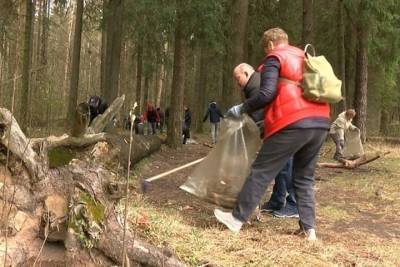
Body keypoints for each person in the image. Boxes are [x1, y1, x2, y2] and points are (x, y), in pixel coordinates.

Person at [214, 28, 330, 241]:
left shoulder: (275, 57)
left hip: (293, 121)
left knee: (261, 171)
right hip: (321, 121)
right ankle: (309, 230)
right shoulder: (304, 56)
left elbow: (267, 93)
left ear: (269, 45)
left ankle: (236, 219)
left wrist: (243, 107)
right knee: (304, 177)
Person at [233, 63, 298, 218]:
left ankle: (294, 204)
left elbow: (259, 114)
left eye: (238, 78)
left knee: (287, 166)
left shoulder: (256, 85)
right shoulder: (254, 85)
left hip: (284, 126)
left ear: (246, 73)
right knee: (281, 167)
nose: (237, 82)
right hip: (278, 127)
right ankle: (277, 200)